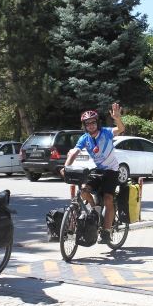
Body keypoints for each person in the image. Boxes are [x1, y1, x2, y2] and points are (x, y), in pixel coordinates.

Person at [61, 104, 125, 244]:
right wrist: (66, 167)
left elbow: (120, 129)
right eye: (87, 124)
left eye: (93, 122)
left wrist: (117, 119)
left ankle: (106, 231)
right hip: (98, 169)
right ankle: (95, 212)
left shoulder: (106, 133)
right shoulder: (84, 138)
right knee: (83, 191)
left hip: (112, 170)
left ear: (97, 123)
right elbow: (74, 153)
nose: (90, 125)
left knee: (108, 198)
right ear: (84, 126)